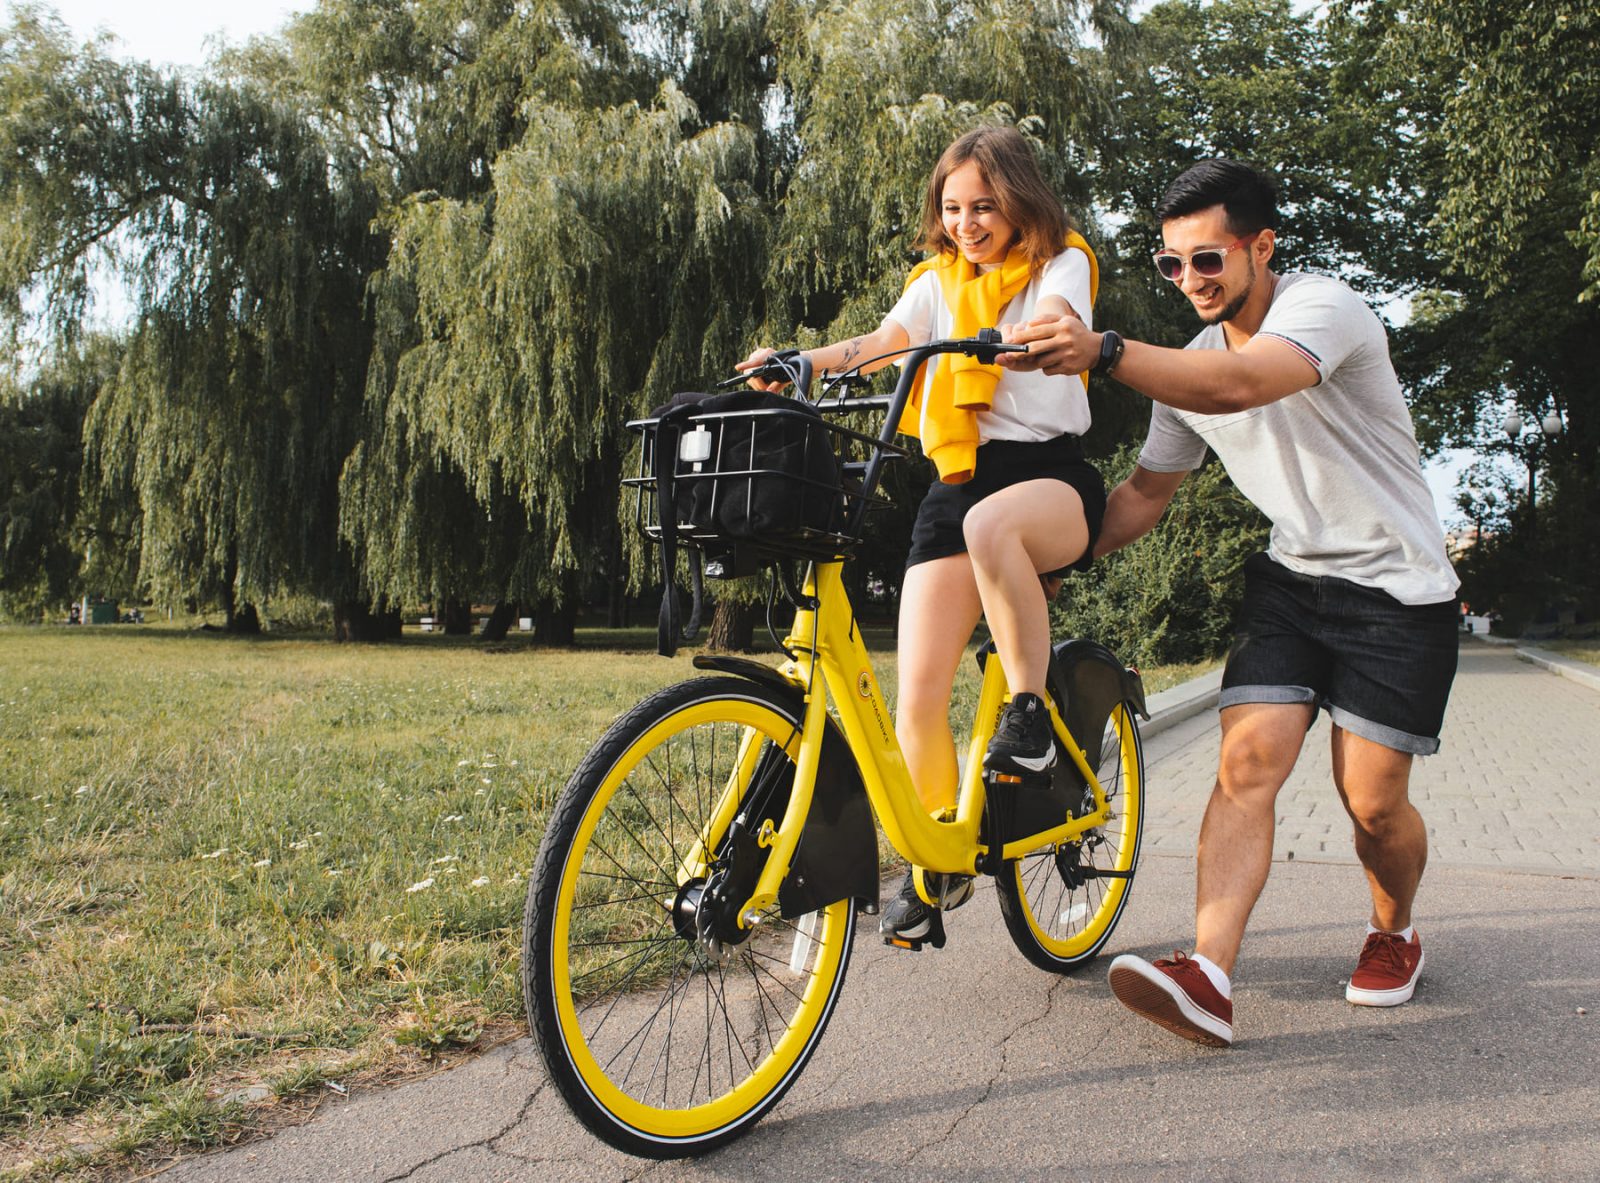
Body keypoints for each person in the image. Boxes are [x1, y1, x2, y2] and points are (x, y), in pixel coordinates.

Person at [999, 159, 1459, 1047]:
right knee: (1246, 762)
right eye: (1172, 266)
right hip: (1292, 583)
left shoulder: (1323, 310)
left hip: (1397, 591)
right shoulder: (1191, 366)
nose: (1189, 282)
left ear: (1261, 246)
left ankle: (1395, 930)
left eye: (1206, 260)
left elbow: (1246, 386)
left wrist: (1106, 350)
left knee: (1370, 802)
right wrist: (1052, 555)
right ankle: (1208, 972)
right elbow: (1142, 496)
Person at [737, 126, 1108, 941]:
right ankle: (940, 860)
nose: (968, 222)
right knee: (916, 698)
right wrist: (800, 361)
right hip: (960, 478)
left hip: (1048, 476)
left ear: (1019, 201)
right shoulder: (936, 282)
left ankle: (1031, 718)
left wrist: (1031, 336)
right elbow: (882, 345)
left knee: (990, 526)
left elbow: (1057, 316)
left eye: (985, 205)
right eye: (953, 207)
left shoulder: (1060, 261)